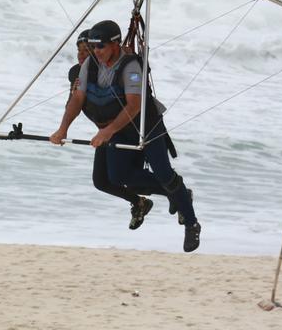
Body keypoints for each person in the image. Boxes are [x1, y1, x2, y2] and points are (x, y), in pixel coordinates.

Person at [51, 20, 201, 252]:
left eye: (100, 46)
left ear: (114, 44)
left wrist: (106, 131)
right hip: (119, 128)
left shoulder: (130, 67)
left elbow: (133, 106)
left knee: (164, 175)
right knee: (119, 176)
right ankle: (171, 196)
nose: (96, 52)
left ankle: (191, 222)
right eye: (92, 47)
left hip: (145, 126)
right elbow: (78, 99)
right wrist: (63, 129)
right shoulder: (90, 64)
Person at [66, 29, 175, 230]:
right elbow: (75, 103)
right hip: (106, 131)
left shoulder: (120, 68)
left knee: (124, 177)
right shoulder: (80, 73)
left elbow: (131, 104)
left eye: (86, 51)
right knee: (101, 181)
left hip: (128, 130)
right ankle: (140, 202)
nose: (81, 56)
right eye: (79, 51)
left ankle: (176, 190)